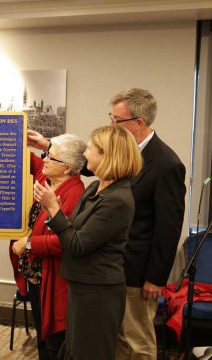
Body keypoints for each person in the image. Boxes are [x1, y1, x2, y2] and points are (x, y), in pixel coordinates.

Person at [34, 126, 143, 360]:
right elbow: (72, 229)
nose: (85, 154)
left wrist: (53, 209)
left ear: (107, 156)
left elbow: (77, 244)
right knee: (73, 351)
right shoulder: (96, 187)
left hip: (98, 293)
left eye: (91, 149)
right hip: (81, 286)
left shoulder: (118, 200)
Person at [109, 88, 186, 359]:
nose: (111, 126)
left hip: (139, 273)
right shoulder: (125, 151)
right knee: (118, 339)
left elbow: (169, 228)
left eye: (116, 120)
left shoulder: (167, 164)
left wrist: (155, 278)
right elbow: (91, 166)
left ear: (138, 123)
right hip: (115, 268)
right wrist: (49, 148)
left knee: (138, 343)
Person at [9, 133, 86, 359]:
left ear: (67, 168)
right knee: (43, 335)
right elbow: (29, 160)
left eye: (51, 157)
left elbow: (66, 241)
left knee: (54, 342)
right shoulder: (48, 180)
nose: (45, 160)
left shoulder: (74, 193)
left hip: (53, 279)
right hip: (36, 276)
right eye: (46, 155)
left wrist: (30, 243)